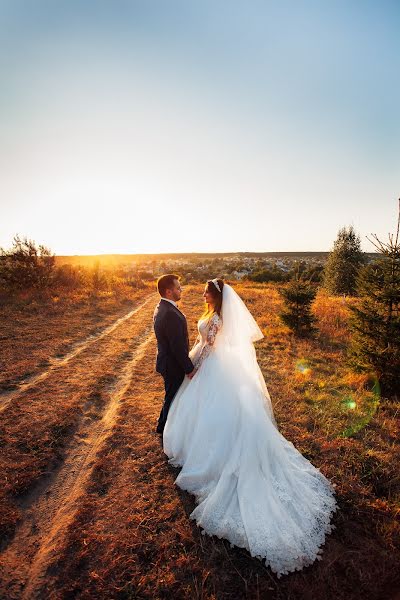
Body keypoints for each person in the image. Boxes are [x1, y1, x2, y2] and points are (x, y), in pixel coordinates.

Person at [163, 278, 338, 578]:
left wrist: (194, 369)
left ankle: (214, 455)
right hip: (204, 363)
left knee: (217, 415)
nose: (202, 293)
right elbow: (201, 342)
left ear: (216, 296)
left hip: (212, 367)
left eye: (207, 291)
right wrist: (193, 361)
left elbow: (209, 347)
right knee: (199, 412)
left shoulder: (217, 318)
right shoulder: (208, 313)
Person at [153, 274, 195, 434]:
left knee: (171, 394)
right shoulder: (169, 313)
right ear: (169, 292)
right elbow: (177, 346)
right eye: (178, 288)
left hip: (166, 362)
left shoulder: (162, 307)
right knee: (172, 396)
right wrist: (189, 368)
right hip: (172, 365)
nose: (181, 290)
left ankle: (164, 425)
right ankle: (163, 427)